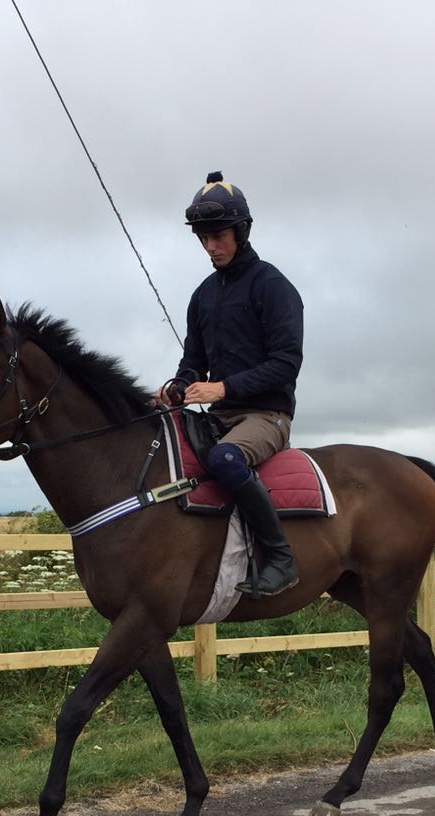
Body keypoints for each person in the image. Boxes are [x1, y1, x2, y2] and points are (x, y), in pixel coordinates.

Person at [155, 171, 304, 597]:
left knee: (224, 458)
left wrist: (223, 389)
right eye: (202, 237)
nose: (210, 246)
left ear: (241, 231)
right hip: (220, 416)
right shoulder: (202, 295)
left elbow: (286, 364)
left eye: (218, 236)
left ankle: (282, 559)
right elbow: (193, 363)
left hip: (267, 416)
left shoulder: (273, 287)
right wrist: (177, 389)